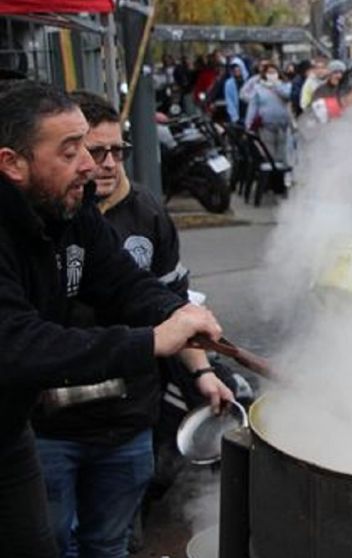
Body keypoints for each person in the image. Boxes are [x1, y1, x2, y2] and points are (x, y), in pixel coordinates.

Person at [0, 80, 224, 558]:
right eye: (70, 150)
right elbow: (19, 344)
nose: (89, 164)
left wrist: (179, 313)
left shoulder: (71, 209)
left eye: (91, 145)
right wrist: (150, 341)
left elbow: (124, 282)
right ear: (12, 164)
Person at [245, 62, 292, 164]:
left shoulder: (285, 85)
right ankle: (272, 175)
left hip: (283, 125)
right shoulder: (258, 88)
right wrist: (248, 124)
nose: (272, 75)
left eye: (274, 72)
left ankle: (281, 176)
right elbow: (253, 106)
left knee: (282, 154)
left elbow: (288, 96)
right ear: (264, 74)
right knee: (269, 154)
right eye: (269, 72)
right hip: (266, 125)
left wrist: (276, 86)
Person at [224, 58, 249, 124]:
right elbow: (229, 100)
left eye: (238, 67)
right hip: (237, 114)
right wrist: (234, 117)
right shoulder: (229, 83)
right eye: (234, 68)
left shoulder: (248, 81)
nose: (236, 70)